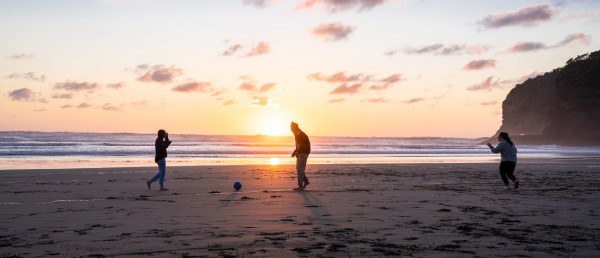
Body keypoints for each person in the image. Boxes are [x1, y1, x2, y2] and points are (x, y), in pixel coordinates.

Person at [291, 122, 310, 190]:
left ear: (295, 128)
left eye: (292, 128)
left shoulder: (298, 134)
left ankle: (301, 186)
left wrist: (297, 152)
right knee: (299, 168)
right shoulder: (300, 133)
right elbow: (300, 145)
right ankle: (305, 181)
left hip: (303, 153)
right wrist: (295, 151)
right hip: (303, 152)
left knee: (300, 169)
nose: (291, 130)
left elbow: (300, 145)